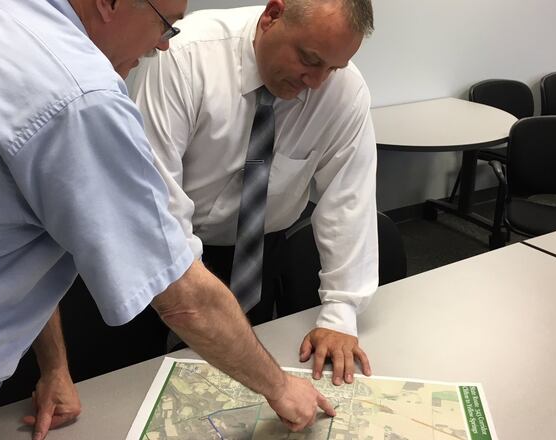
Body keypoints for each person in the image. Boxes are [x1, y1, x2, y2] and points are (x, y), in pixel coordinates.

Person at [0, 0, 333, 439]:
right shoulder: (76, 93)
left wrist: (54, 367)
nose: (163, 43)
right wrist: (280, 388)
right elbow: (183, 298)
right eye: (164, 24)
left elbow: (13, 234)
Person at [127, 0, 379, 386]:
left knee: (240, 377)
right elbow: (153, 204)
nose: (316, 82)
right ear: (272, 15)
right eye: (309, 59)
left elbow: (350, 200)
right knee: (133, 377)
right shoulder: (183, 57)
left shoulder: (342, 90)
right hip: (162, 247)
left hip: (255, 253)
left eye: (333, 68)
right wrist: (195, 302)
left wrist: (341, 312)